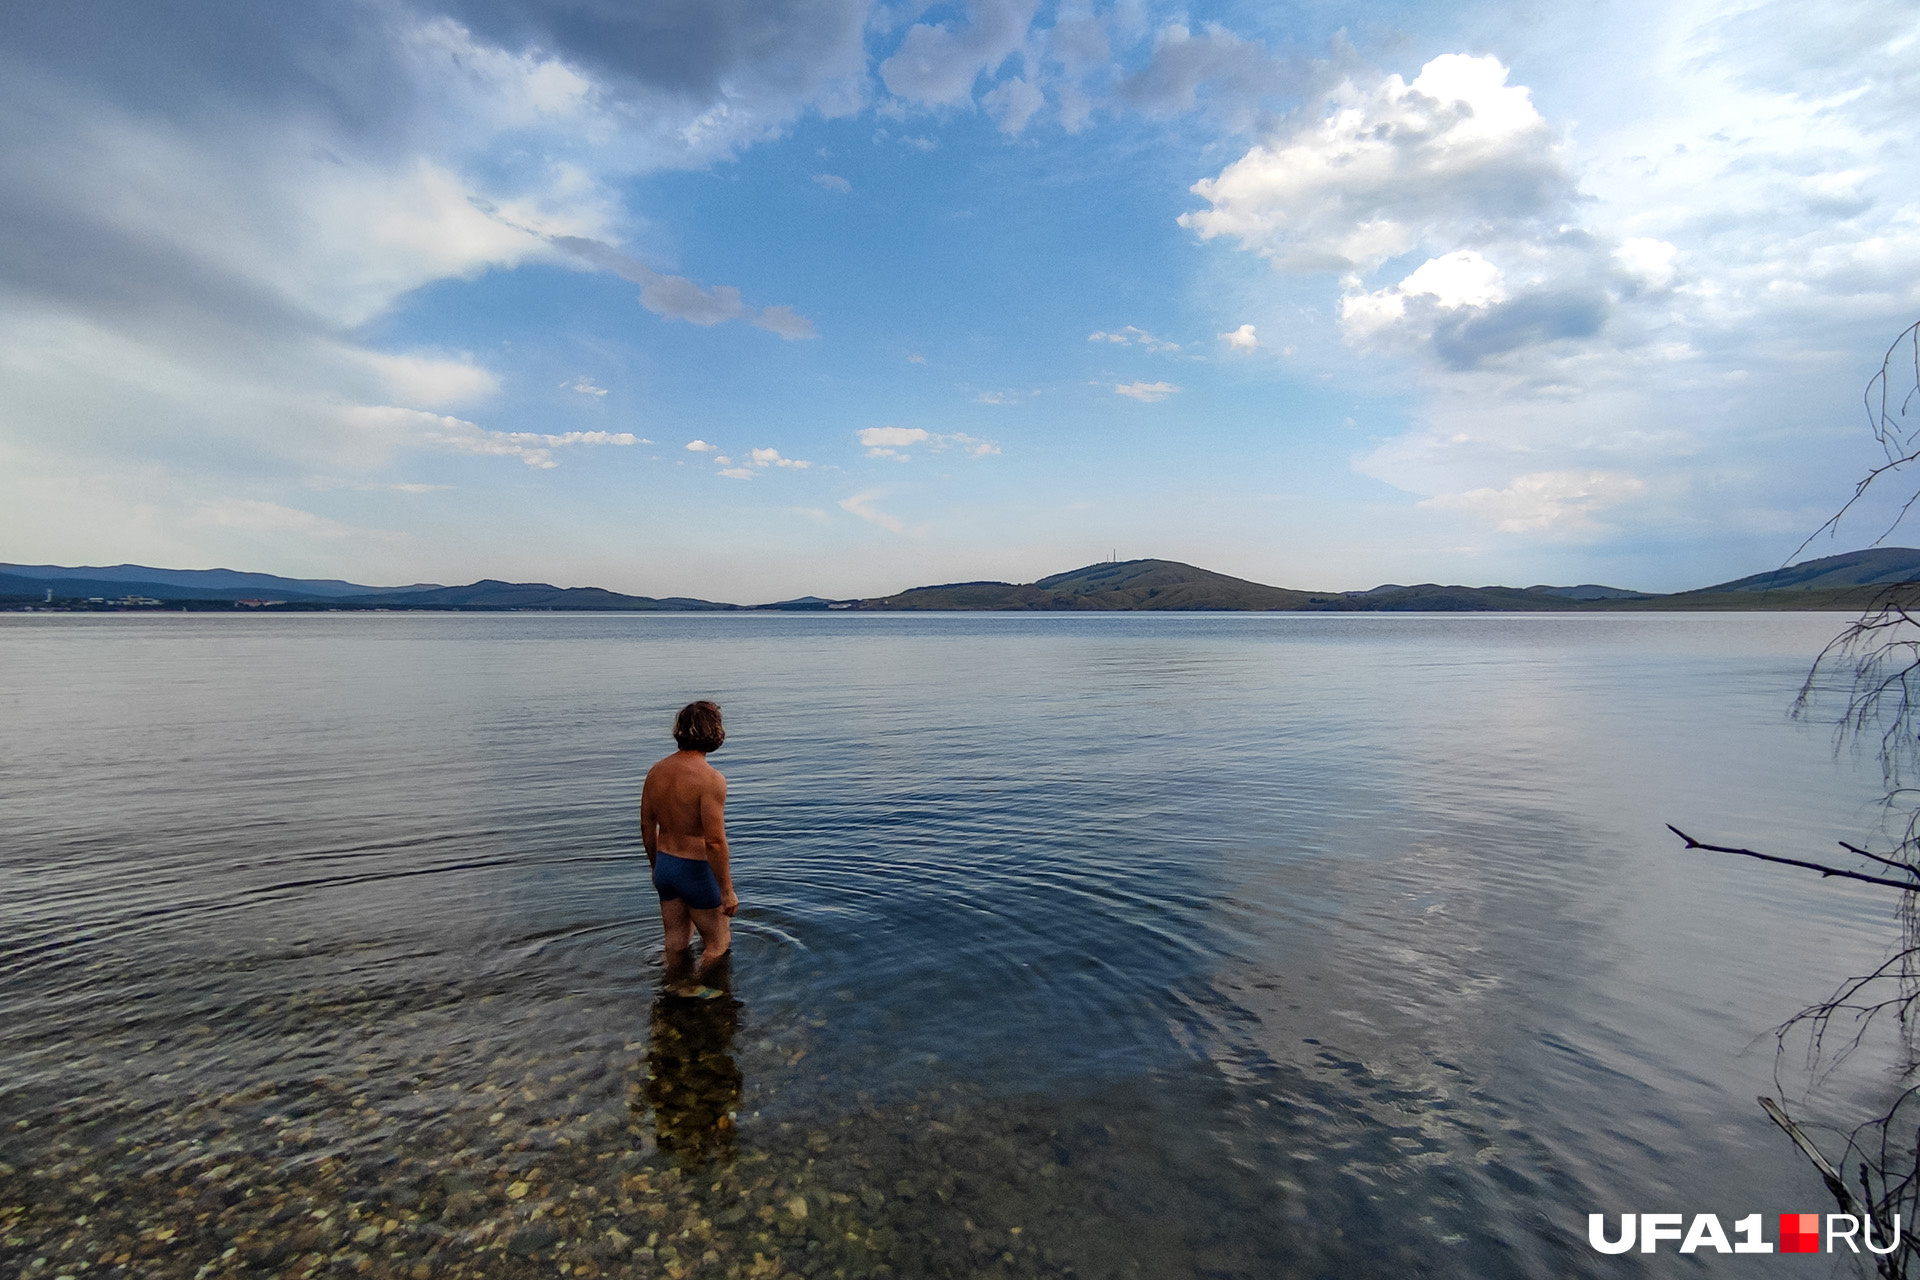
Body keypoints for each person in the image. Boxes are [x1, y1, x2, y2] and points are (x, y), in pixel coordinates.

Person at [641, 700, 738, 971]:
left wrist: (655, 866)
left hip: (666, 865)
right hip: (696, 870)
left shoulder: (656, 771)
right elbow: (715, 842)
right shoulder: (710, 779)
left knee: (675, 941)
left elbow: (647, 826)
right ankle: (697, 991)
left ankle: (672, 989)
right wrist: (727, 892)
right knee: (718, 945)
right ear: (714, 731)